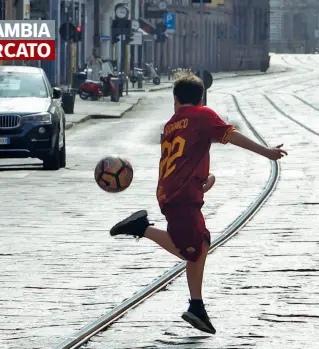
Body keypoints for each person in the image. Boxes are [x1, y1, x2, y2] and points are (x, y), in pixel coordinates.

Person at [109, 72, 287, 334]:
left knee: (200, 244)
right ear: (201, 98)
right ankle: (141, 229)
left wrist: (205, 178)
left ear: (175, 100)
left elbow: (184, 159)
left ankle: (197, 305)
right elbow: (231, 135)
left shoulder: (172, 124)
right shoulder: (202, 115)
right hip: (182, 197)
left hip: (173, 194)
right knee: (192, 250)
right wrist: (267, 152)